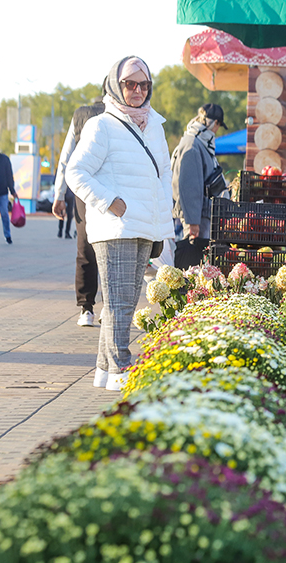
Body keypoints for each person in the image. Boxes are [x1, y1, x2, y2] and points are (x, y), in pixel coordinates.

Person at [66, 56, 174, 392]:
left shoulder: (154, 125)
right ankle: (120, 367)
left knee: (124, 300)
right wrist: (110, 201)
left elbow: (163, 177)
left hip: (145, 224)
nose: (137, 91)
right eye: (130, 84)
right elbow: (75, 172)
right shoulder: (102, 125)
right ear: (116, 85)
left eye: (143, 85)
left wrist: (162, 224)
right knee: (119, 302)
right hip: (116, 227)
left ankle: (103, 369)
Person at [53, 95, 105, 327]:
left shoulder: (80, 115)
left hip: (83, 192)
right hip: (114, 191)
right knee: (114, 248)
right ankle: (110, 307)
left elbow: (66, 157)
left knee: (85, 250)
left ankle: (86, 308)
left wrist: (59, 195)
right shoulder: (128, 113)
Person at [170, 103, 228, 269]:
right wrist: (192, 221)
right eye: (218, 126)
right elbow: (189, 186)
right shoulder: (193, 145)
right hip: (194, 219)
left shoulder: (198, 142)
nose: (217, 131)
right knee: (191, 264)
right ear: (214, 123)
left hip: (198, 215)